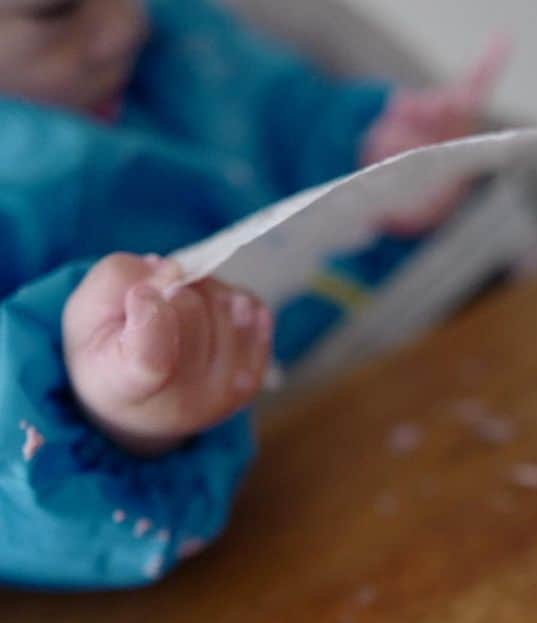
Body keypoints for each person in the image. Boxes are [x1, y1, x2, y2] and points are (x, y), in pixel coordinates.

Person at [0, 0, 485, 589]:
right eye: (55, 11)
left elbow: (296, 117)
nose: (126, 22)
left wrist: (376, 150)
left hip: (414, 380)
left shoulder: (188, 41)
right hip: (257, 541)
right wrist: (123, 417)